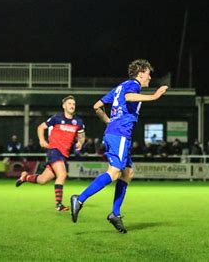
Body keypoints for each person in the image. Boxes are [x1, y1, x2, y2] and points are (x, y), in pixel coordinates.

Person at [70, 59, 168, 233]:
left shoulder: (119, 87)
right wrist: (154, 96)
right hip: (120, 134)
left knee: (128, 172)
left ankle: (115, 214)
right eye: (148, 73)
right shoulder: (133, 85)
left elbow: (97, 106)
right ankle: (80, 199)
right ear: (140, 73)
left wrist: (108, 121)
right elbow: (129, 97)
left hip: (114, 133)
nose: (150, 77)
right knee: (114, 172)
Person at [15, 95, 85, 211]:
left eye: (73, 104)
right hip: (54, 151)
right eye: (69, 104)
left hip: (63, 154)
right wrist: (42, 140)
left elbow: (82, 135)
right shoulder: (56, 118)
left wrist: (81, 142)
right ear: (64, 106)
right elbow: (40, 127)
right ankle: (59, 205)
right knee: (62, 175)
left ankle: (25, 177)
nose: (72, 106)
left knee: (42, 180)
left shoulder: (78, 121)